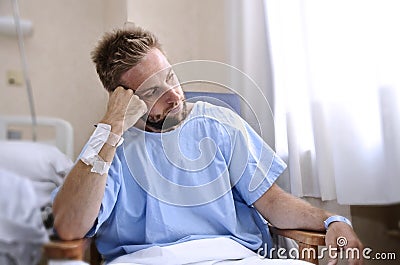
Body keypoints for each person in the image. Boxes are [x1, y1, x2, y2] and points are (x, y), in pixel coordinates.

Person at [52, 25, 363, 264]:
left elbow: (274, 204)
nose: (173, 95)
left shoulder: (219, 124)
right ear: (123, 99)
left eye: (170, 77)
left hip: (232, 256)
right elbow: (69, 227)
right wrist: (110, 130)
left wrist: (332, 220)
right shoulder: (107, 151)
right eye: (152, 92)